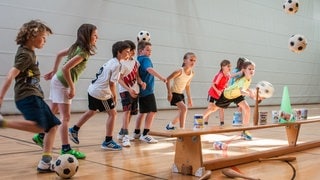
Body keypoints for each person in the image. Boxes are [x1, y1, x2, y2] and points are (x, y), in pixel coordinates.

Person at [0, 20, 60, 172]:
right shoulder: (26, 55)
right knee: (41, 127)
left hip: (33, 95)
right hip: (28, 96)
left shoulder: (28, 52)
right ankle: (2, 123)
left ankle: (46, 162)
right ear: (32, 36)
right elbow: (10, 75)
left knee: (52, 126)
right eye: (43, 37)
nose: (45, 41)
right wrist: (1, 97)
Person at [33, 24, 98, 159]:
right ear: (87, 36)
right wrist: (72, 87)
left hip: (57, 80)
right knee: (65, 117)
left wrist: (53, 71)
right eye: (94, 35)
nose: (97, 37)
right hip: (63, 83)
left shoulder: (76, 47)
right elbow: (66, 68)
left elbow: (59, 55)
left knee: (53, 110)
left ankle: (40, 136)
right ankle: (66, 149)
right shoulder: (82, 52)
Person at [68, 41, 131, 151]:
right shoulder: (117, 65)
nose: (128, 55)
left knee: (92, 110)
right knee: (113, 113)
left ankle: (74, 129)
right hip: (101, 93)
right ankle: (108, 141)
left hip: (92, 89)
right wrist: (114, 96)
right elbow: (112, 84)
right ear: (119, 52)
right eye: (127, 52)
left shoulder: (112, 61)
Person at [203, 60, 258, 140]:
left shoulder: (248, 79)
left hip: (236, 95)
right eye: (249, 69)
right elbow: (242, 91)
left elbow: (245, 88)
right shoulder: (242, 80)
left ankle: (244, 131)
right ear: (244, 70)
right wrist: (250, 94)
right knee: (213, 109)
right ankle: (198, 119)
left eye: (253, 69)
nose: (251, 70)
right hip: (227, 95)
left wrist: (251, 93)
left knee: (247, 108)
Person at [132, 41, 167, 143]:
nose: (149, 52)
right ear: (140, 51)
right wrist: (161, 77)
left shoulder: (138, 59)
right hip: (147, 91)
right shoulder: (145, 59)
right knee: (152, 111)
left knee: (142, 112)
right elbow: (149, 69)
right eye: (147, 50)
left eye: (150, 50)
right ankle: (145, 134)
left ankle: (136, 132)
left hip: (141, 91)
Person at [117, 40, 146, 147]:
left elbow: (137, 76)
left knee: (131, 113)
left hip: (135, 90)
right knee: (126, 112)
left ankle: (121, 133)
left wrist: (141, 82)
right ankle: (125, 136)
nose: (132, 52)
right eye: (130, 50)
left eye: (132, 50)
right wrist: (128, 89)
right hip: (125, 90)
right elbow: (119, 79)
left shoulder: (136, 62)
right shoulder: (121, 63)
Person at [165, 52, 197, 130]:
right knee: (184, 109)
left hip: (180, 94)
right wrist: (169, 93)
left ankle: (170, 125)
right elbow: (167, 79)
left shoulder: (192, 73)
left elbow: (187, 86)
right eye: (191, 60)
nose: (193, 62)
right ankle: (182, 129)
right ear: (184, 61)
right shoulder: (179, 71)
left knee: (182, 112)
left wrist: (189, 98)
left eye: (194, 60)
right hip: (174, 93)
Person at [203, 60, 232, 126]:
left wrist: (226, 89)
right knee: (210, 108)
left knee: (221, 107)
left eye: (230, 66)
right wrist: (217, 91)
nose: (229, 67)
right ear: (223, 67)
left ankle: (222, 123)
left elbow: (225, 84)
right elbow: (213, 84)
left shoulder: (228, 75)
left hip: (220, 93)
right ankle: (205, 122)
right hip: (213, 92)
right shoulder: (220, 75)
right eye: (228, 66)